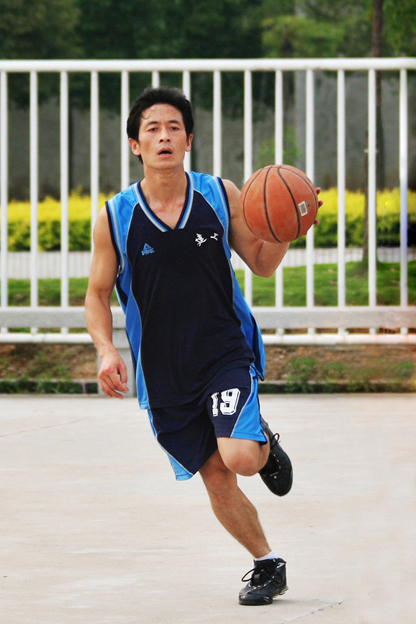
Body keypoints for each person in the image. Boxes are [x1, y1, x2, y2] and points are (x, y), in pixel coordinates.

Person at [85, 86, 321, 606]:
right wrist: (106, 350)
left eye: (174, 127)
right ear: (135, 145)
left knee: (239, 458)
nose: (164, 136)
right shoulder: (115, 216)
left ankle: (259, 441)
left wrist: (287, 224)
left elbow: (262, 262)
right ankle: (268, 564)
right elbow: (97, 295)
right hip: (164, 373)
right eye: (152, 129)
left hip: (224, 353)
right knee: (216, 478)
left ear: (189, 140)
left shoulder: (219, 193)